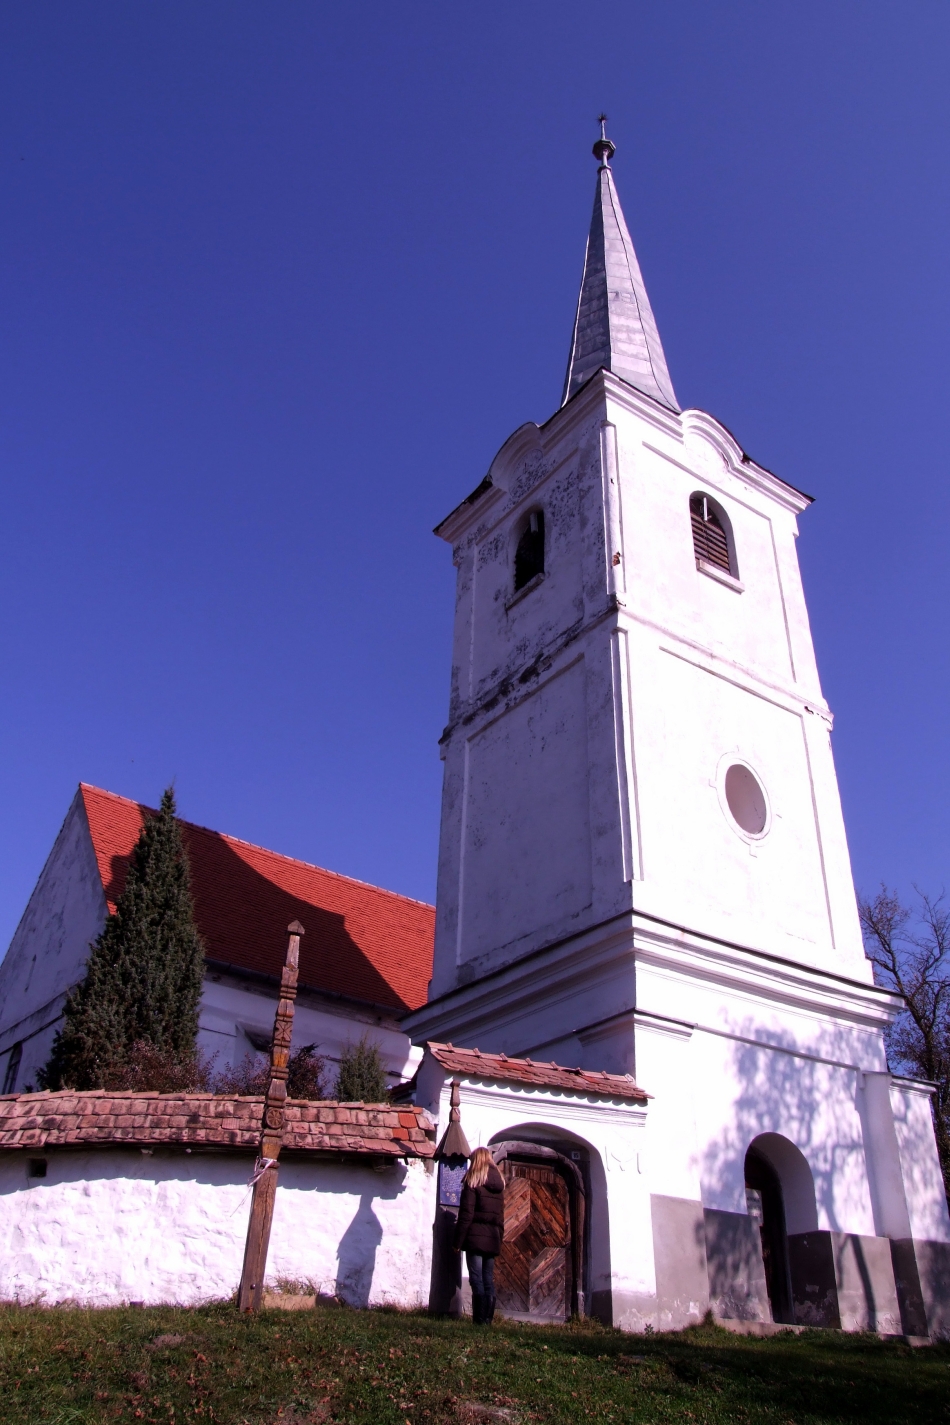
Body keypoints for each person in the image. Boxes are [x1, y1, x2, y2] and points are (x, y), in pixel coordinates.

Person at [453, 1146, 505, 1325]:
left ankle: (479, 1320)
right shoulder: (499, 1183)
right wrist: (499, 1239)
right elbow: (501, 1217)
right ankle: (487, 1321)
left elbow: (466, 1215)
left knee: (476, 1279)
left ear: (475, 1161)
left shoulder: (473, 1181)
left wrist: (457, 1242)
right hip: (492, 1238)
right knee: (488, 1279)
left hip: (475, 1238)